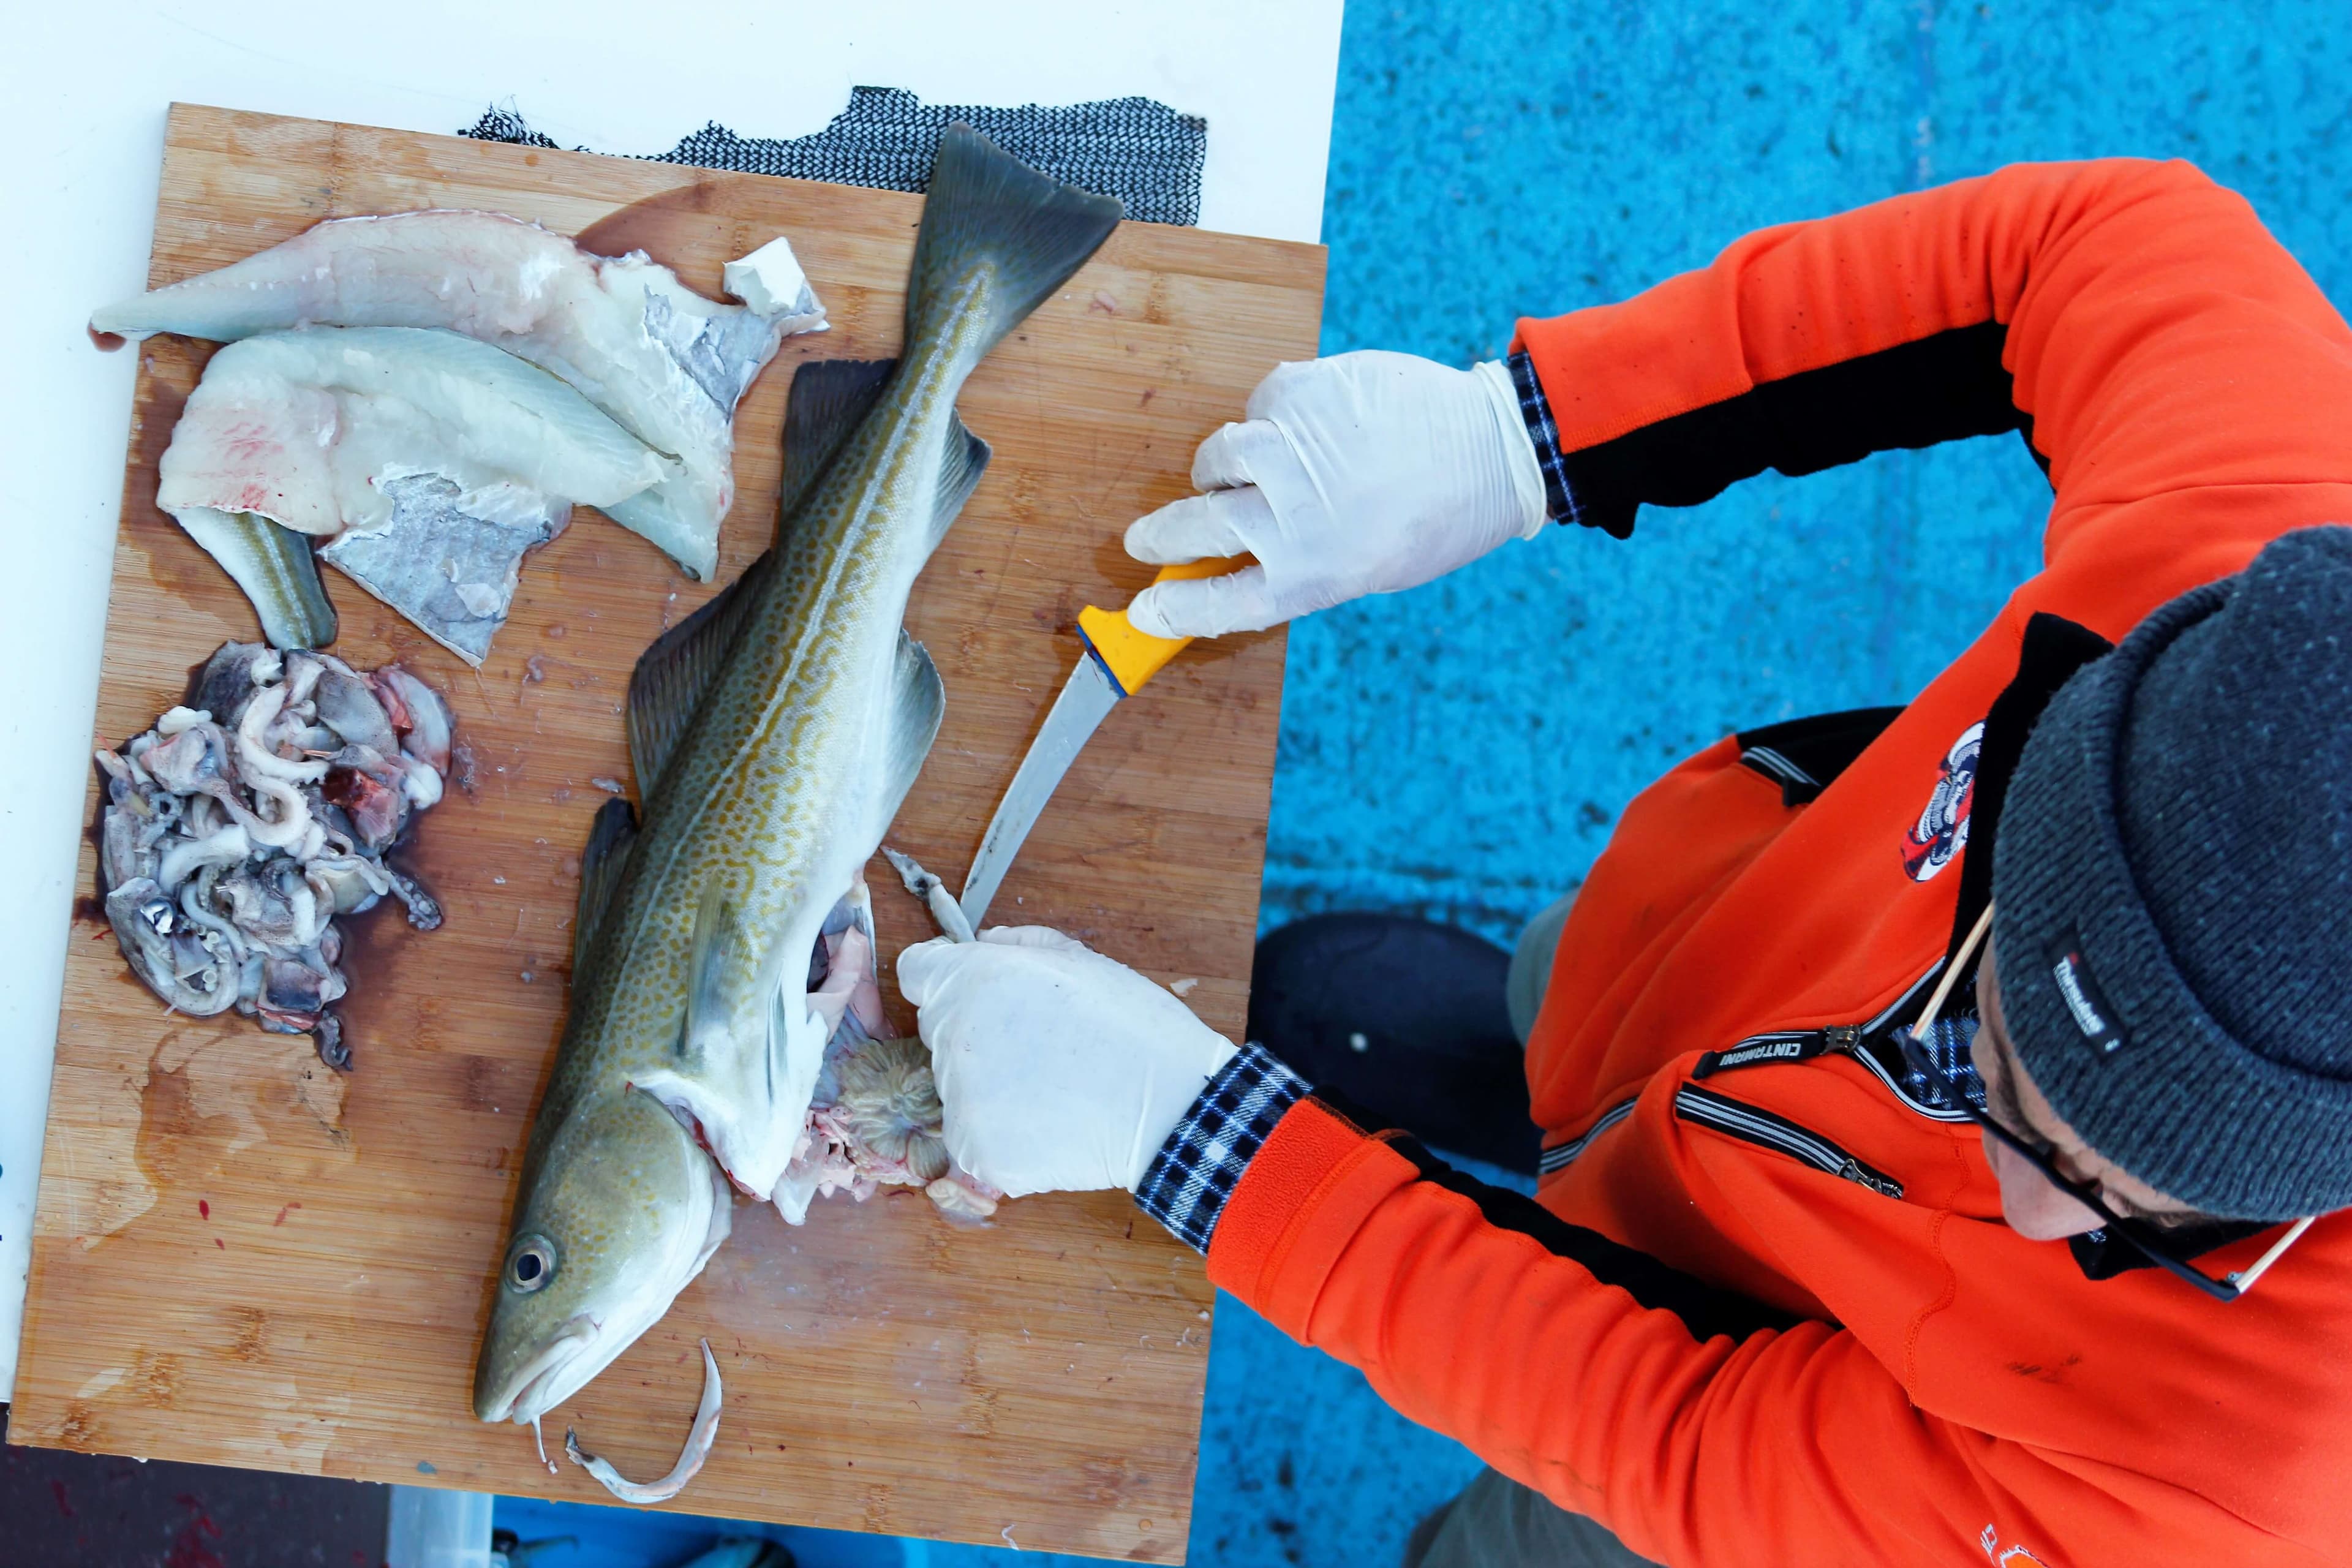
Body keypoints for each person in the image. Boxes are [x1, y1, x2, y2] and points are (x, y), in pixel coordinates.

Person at [897, 158, 2352, 1566]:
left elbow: (1681, 1432)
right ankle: (1548, 1067)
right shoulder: (2280, 519)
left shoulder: (2258, 1485)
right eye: (2006, 1048)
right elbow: (2087, 246)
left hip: (1782, 1376)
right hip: (1723, 931)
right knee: (1579, 980)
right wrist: (1524, 435)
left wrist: (1194, 1142)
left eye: (2136, 1212)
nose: (2029, 1207)